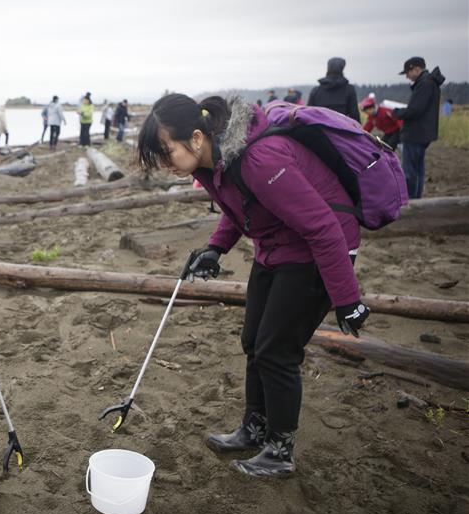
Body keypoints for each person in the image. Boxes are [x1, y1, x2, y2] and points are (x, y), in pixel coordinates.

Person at [136, 93, 370, 477]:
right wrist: (215, 248)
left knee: (277, 350)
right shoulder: (211, 165)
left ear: (196, 137)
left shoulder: (261, 160)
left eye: (165, 152)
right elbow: (240, 207)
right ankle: (254, 427)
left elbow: (324, 228)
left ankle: (280, 450)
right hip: (275, 245)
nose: (164, 164)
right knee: (254, 341)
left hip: (319, 251)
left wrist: (347, 298)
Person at [391, 57, 445, 199]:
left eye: (407, 73)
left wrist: (396, 113)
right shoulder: (429, 82)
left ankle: (411, 201)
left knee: (410, 172)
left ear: (416, 69)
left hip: (415, 134)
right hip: (423, 134)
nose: (407, 77)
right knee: (418, 170)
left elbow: (415, 110)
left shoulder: (425, 84)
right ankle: (417, 199)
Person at [308, 57, 360, 122]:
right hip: (341, 129)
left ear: (328, 68)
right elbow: (354, 115)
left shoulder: (316, 91)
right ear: (342, 68)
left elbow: (309, 115)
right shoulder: (349, 90)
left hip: (319, 130)